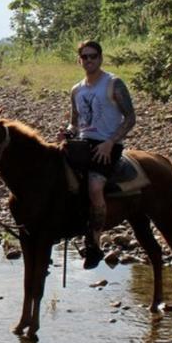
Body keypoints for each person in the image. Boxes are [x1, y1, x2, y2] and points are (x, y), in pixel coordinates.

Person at [58, 40, 136, 269]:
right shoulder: (76, 89)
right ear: (79, 60)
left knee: (94, 186)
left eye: (93, 56)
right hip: (82, 144)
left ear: (100, 58)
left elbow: (130, 118)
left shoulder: (113, 84)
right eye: (85, 57)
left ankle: (94, 242)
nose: (89, 60)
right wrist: (67, 133)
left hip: (107, 144)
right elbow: (76, 123)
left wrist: (111, 142)